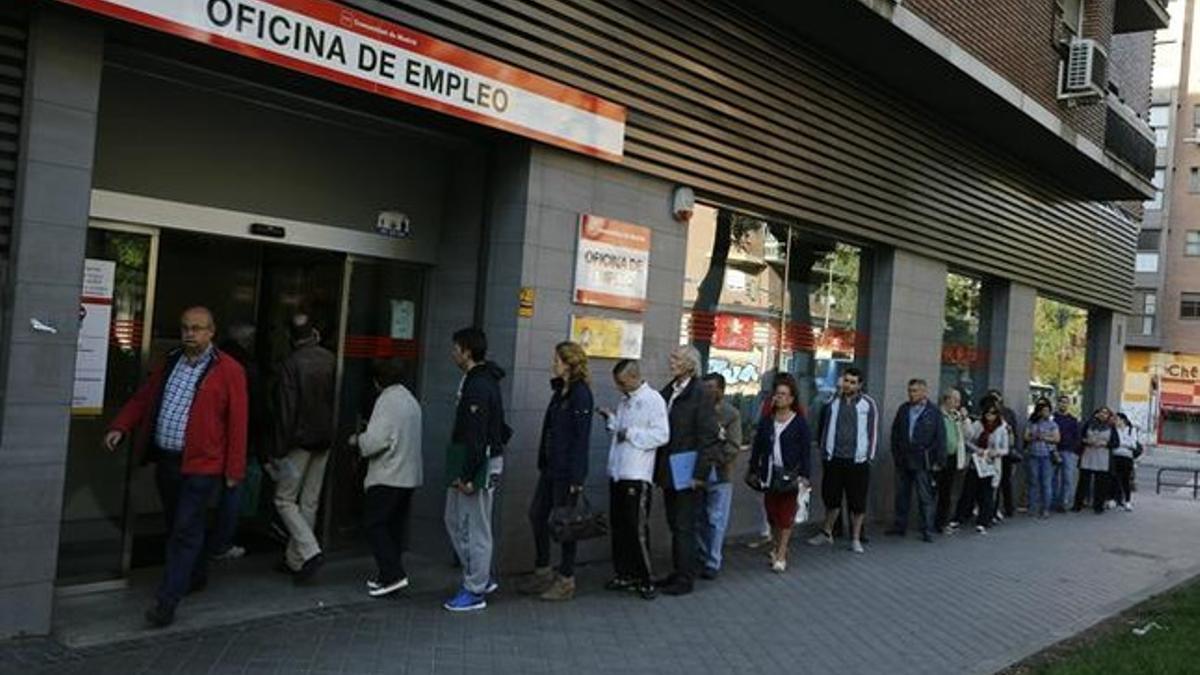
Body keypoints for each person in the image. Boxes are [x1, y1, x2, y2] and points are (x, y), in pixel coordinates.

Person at [104, 306, 247, 628]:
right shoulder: (170, 361)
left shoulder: (229, 370)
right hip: (169, 462)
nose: (189, 334)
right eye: (185, 328)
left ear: (212, 332)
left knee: (184, 528)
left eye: (197, 328)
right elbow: (144, 399)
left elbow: (238, 423)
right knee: (180, 524)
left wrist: (233, 471)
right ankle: (195, 574)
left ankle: (167, 601)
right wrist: (120, 426)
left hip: (203, 466)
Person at [443, 327, 510, 612]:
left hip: (478, 464)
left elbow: (477, 434)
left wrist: (470, 475)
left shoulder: (478, 385)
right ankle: (480, 577)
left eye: (456, 348)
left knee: (473, 527)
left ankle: (475, 589)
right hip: (472, 460)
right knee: (455, 519)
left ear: (467, 351)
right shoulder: (477, 380)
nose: (452, 352)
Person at [521, 342, 593, 602]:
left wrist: (577, 477)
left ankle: (566, 578)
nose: (553, 364)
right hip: (551, 467)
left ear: (569, 363)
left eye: (557, 360)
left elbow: (581, 438)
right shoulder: (560, 392)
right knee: (538, 515)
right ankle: (543, 570)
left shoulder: (580, 394)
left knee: (566, 524)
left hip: (566, 471)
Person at [348, 358, 423, 598]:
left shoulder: (387, 401)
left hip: (388, 475)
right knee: (393, 528)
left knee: (375, 525)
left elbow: (376, 441)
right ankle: (388, 576)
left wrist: (356, 441)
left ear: (377, 381)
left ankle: (393, 575)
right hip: (408, 475)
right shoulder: (410, 400)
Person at [270, 314, 336, 583]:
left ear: (292, 338)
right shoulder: (330, 359)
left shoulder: (291, 363)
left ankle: (309, 552)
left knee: (284, 500)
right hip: (325, 439)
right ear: (315, 334)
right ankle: (296, 559)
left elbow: (286, 411)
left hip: (298, 442)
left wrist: (278, 449)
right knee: (309, 501)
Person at [654, 345, 721, 596]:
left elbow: (708, 436)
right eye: (672, 356)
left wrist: (699, 475)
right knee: (675, 522)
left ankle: (685, 577)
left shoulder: (700, 393)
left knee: (684, 524)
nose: (671, 361)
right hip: (669, 469)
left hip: (687, 471)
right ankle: (679, 570)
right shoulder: (670, 390)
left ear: (690, 365)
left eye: (677, 358)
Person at [600, 359, 669, 600]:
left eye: (621, 382)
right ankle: (624, 573)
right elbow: (620, 430)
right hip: (619, 471)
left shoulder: (653, 400)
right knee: (619, 526)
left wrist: (630, 433)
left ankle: (646, 577)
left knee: (636, 527)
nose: (619, 387)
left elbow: (662, 434)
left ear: (633, 377)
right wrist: (611, 420)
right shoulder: (624, 401)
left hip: (637, 474)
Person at [808, 367, 877, 554]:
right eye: (846, 381)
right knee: (831, 498)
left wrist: (868, 456)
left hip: (857, 460)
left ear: (860, 385)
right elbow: (823, 425)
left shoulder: (867, 404)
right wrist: (824, 452)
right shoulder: (832, 402)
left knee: (857, 502)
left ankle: (855, 538)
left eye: (853, 382)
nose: (848, 385)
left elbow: (872, 431)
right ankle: (827, 532)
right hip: (834, 458)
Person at [746, 375, 812, 572]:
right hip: (768, 473)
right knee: (772, 513)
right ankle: (776, 545)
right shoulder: (767, 421)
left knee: (786, 515)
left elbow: (805, 451)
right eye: (777, 394)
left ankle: (782, 552)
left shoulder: (799, 423)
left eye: (784, 395)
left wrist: (805, 476)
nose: (779, 398)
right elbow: (758, 447)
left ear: (792, 399)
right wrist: (752, 468)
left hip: (789, 475)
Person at [208, 322, 261, 562]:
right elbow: (253, 409)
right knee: (232, 491)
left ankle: (201, 540)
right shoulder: (246, 366)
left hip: (210, 437)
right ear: (247, 341)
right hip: (238, 437)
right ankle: (221, 542)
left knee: (200, 490)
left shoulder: (211, 360)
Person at [886, 378, 946, 542]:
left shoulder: (933, 412)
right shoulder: (904, 409)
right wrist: (896, 454)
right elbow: (895, 432)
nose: (911, 394)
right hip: (904, 458)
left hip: (923, 460)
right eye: (910, 391)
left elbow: (940, 437)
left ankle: (927, 528)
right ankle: (900, 526)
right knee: (901, 494)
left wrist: (939, 461)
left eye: (915, 391)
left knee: (924, 496)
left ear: (924, 392)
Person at [695, 373, 742, 578]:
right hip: (698, 472)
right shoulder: (696, 411)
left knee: (716, 518)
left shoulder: (731, 414)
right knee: (698, 517)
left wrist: (714, 459)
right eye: (705, 387)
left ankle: (713, 561)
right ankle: (701, 554)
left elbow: (733, 445)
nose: (707, 391)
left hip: (720, 473)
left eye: (712, 387)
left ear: (721, 390)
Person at [955, 404, 1008, 534]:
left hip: (990, 463)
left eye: (993, 414)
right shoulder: (978, 424)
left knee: (987, 493)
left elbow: (1005, 449)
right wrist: (977, 450)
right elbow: (968, 439)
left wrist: (994, 452)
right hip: (976, 461)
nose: (990, 417)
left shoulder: (1001, 428)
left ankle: (984, 520)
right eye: (987, 414)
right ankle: (960, 517)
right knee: (969, 490)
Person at [985, 389, 1022, 521]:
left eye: (997, 399)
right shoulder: (986, 413)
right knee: (991, 483)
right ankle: (992, 510)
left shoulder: (1008, 413)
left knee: (1005, 481)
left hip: (1005, 452)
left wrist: (1016, 450)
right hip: (990, 453)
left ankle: (1007, 508)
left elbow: (1015, 433)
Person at [936, 388, 970, 533]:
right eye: (955, 400)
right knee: (936, 492)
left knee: (947, 492)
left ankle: (942, 521)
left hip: (953, 457)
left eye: (959, 401)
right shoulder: (938, 415)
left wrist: (964, 419)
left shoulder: (955, 416)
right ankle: (934, 522)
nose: (957, 404)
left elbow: (968, 434)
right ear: (947, 399)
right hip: (940, 458)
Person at [1074, 407, 1117, 514]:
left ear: (1108, 416)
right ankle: (1077, 505)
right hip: (1088, 455)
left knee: (1101, 484)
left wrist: (1105, 444)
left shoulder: (1111, 427)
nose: (1103, 415)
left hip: (1103, 457)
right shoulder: (1088, 424)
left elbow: (1116, 443)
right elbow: (1080, 438)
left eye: (1106, 413)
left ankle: (1098, 506)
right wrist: (1086, 441)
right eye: (1101, 412)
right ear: (1096, 414)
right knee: (1083, 482)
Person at [1024, 398, 1060, 519]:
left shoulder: (1052, 424)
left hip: (1047, 456)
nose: (1045, 413)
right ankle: (1032, 507)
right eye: (1043, 411)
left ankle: (1045, 508)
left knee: (1046, 483)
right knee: (1033, 482)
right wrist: (1034, 436)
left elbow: (1057, 439)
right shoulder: (1032, 423)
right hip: (1033, 454)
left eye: (1047, 411)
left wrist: (1044, 437)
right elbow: (1026, 437)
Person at [1051, 396, 1082, 513]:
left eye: (1065, 402)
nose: (1063, 404)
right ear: (1057, 403)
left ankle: (1064, 503)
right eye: (1061, 402)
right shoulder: (1052, 419)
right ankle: (1053, 502)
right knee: (1053, 478)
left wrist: (1074, 450)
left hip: (1068, 452)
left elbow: (1077, 436)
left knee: (1067, 479)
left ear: (1068, 405)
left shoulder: (1073, 420)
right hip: (1053, 451)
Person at [1112, 413, 1138, 512]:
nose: (1115, 421)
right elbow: (1114, 444)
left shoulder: (1131, 430)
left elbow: (1133, 445)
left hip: (1127, 458)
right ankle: (1115, 499)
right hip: (1116, 456)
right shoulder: (1114, 430)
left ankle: (1127, 501)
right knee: (1115, 479)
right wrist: (1125, 443)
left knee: (1125, 480)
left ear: (1123, 420)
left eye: (1117, 419)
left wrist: (1121, 443)